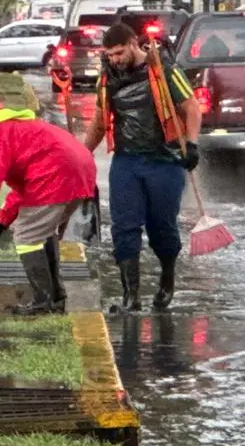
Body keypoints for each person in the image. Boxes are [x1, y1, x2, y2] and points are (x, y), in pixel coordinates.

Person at [83, 23, 202, 312]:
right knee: (124, 227)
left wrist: (192, 144)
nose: (115, 59)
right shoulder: (107, 78)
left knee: (161, 228)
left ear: (134, 44)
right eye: (110, 54)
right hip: (127, 161)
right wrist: (80, 155)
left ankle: (167, 280)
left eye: (120, 52)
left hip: (165, 160)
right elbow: (100, 122)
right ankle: (130, 297)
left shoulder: (164, 71)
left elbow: (191, 107)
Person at [0, 97, 97, 315]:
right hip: (81, 168)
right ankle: (56, 297)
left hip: (55, 173)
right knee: (43, 229)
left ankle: (43, 302)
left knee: (27, 236)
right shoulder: (20, 126)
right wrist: (1, 221)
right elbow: (25, 188)